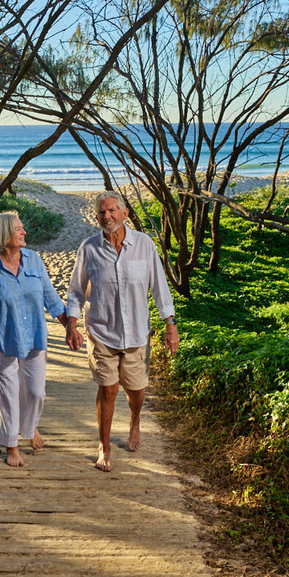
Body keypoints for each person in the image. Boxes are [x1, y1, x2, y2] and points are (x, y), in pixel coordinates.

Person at [65, 191, 178, 472]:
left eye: (113, 211)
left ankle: (135, 421)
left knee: (136, 391)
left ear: (125, 213)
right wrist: (72, 324)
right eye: (102, 213)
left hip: (137, 333)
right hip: (101, 332)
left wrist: (170, 325)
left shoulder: (144, 245)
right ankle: (104, 446)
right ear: (96, 218)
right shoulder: (88, 248)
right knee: (109, 389)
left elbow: (159, 287)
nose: (108, 216)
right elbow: (76, 291)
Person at [0, 210, 76, 467]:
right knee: (8, 397)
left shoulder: (34, 260)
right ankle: (12, 446)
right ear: (4, 234)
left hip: (34, 338)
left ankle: (29, 429)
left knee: (35, 392)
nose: (24, 232)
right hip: (1, 342)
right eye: (19, 229)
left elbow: (50, 297)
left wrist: (69, 328)